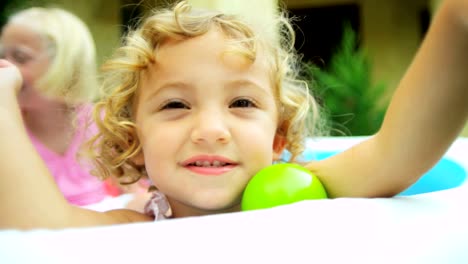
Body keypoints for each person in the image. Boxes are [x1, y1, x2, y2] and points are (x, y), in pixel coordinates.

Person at [0, 0, 467, 228]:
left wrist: (456, 23)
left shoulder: (305, 191)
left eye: (242, 103)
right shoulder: (139, 225)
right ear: (134, 141)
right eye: (175, 105)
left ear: (278, 137)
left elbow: (397, 152)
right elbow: (41, 225)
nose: (210, 130)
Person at [0, 7, 111, 206]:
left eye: (20, 57)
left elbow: (134, 188)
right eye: (2, 55)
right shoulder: (6, 130)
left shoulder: (104, 124)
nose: (4, 66)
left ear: (65, 64)